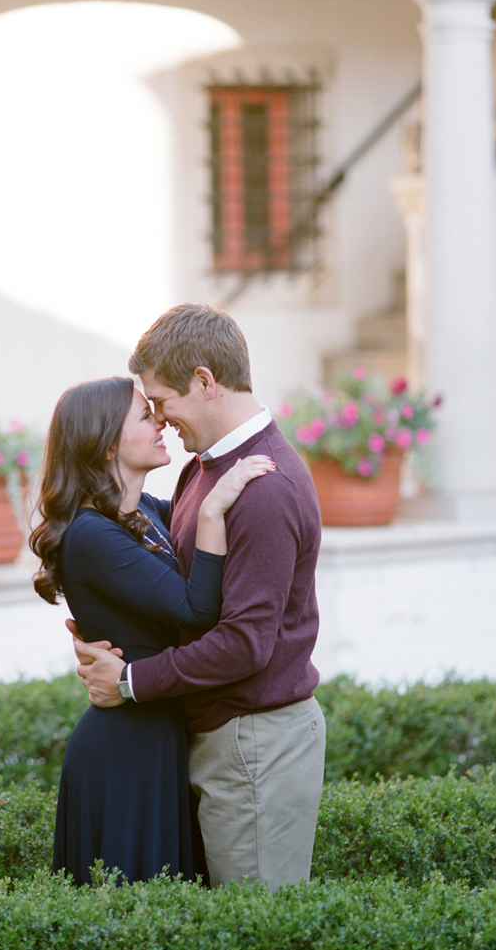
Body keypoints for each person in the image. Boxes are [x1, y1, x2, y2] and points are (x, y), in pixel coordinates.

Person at [72, 304, 326, 890]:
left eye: (161, 401)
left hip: (256, 741)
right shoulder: (207, 471)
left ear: (205, 382)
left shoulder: (264, 489)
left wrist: (130, 681)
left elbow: (243, 646)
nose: (159, 419)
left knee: (258, 940)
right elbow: (159, 558)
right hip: (228, 737)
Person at [30, 374, 274, 886]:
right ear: (104, 443)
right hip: (125, 749)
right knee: (131, 918)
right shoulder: (90, 533)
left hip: (157, 734)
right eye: (146, 415)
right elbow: (196, 610)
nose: (160, 419)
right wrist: (214, 509)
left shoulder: (140, 512)